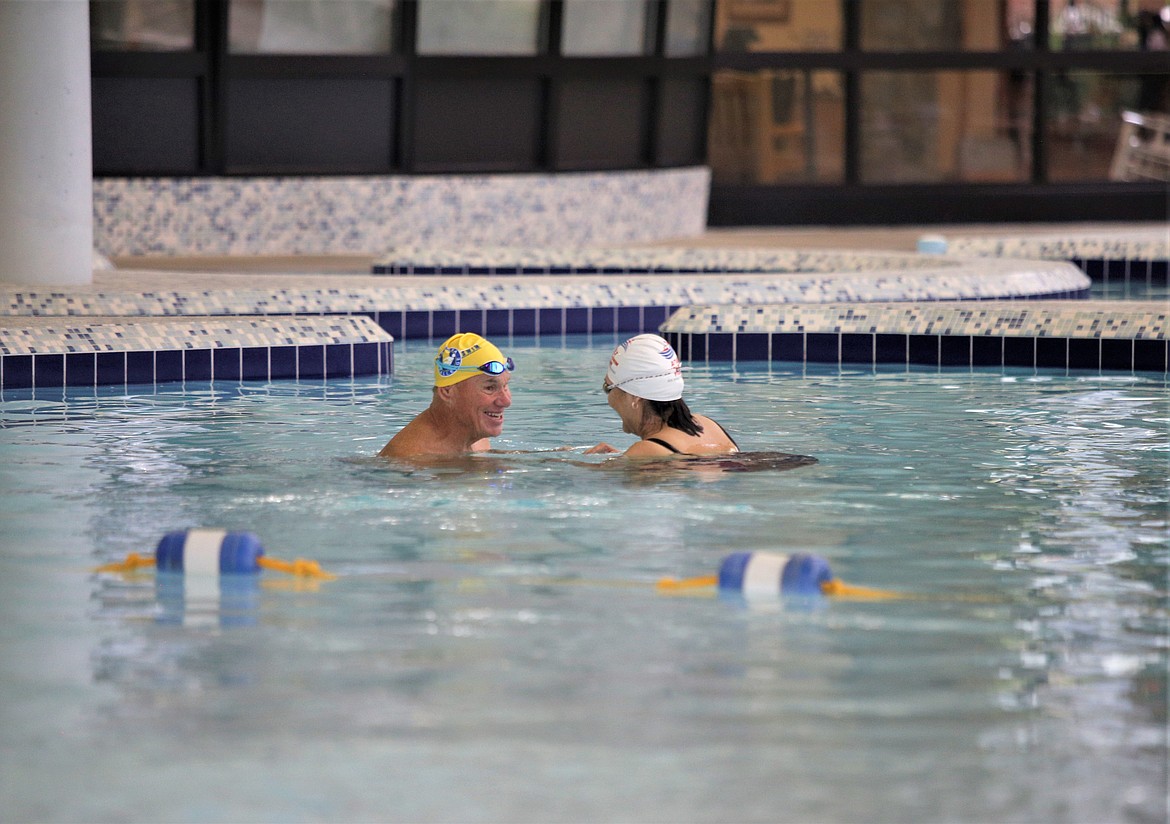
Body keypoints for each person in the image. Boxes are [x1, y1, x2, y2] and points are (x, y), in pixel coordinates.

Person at [584, 334, 739, 457]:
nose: (609, 399)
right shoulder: (707, 425)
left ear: (635, 398)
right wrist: (625, 458)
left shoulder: (646, 451)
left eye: (608, 388)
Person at [379, 332, 513, 459]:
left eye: (505, 386)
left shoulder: (476, 432)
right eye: (490, 388)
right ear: (447, 392)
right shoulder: (411, 459)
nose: (506, 401)